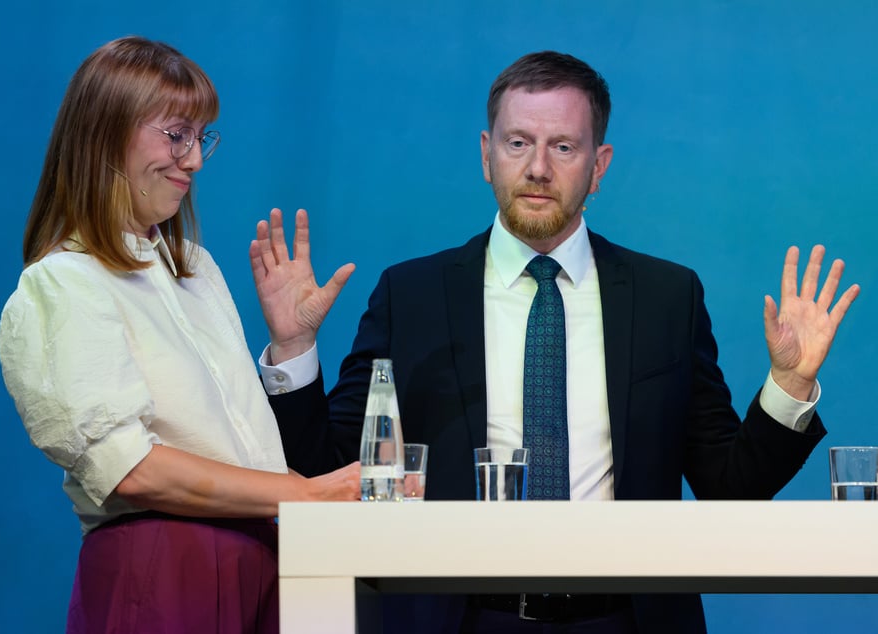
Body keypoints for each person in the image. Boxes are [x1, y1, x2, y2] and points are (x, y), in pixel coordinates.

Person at [252, 51, 860, 633]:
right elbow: (327, 475)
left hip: (627, 619)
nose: (538, 167)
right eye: (518, 143)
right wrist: (294, 351)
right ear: (487, 155)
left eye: (563, 147)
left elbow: (732, 488)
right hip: (456, 619)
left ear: (599, 167)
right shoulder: (410, 294)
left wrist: (790, 384)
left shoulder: (666, 298)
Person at [0, 36, 360, 634]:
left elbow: (242, 446)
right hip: (166, 568)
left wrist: (291, 344)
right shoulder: (62, 283)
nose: (193, 159)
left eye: (200, 138)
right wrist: (305, 495)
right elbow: (131, 469)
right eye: (175, 135)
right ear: (105, 133)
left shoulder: (196, 269)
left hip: (259, 559)